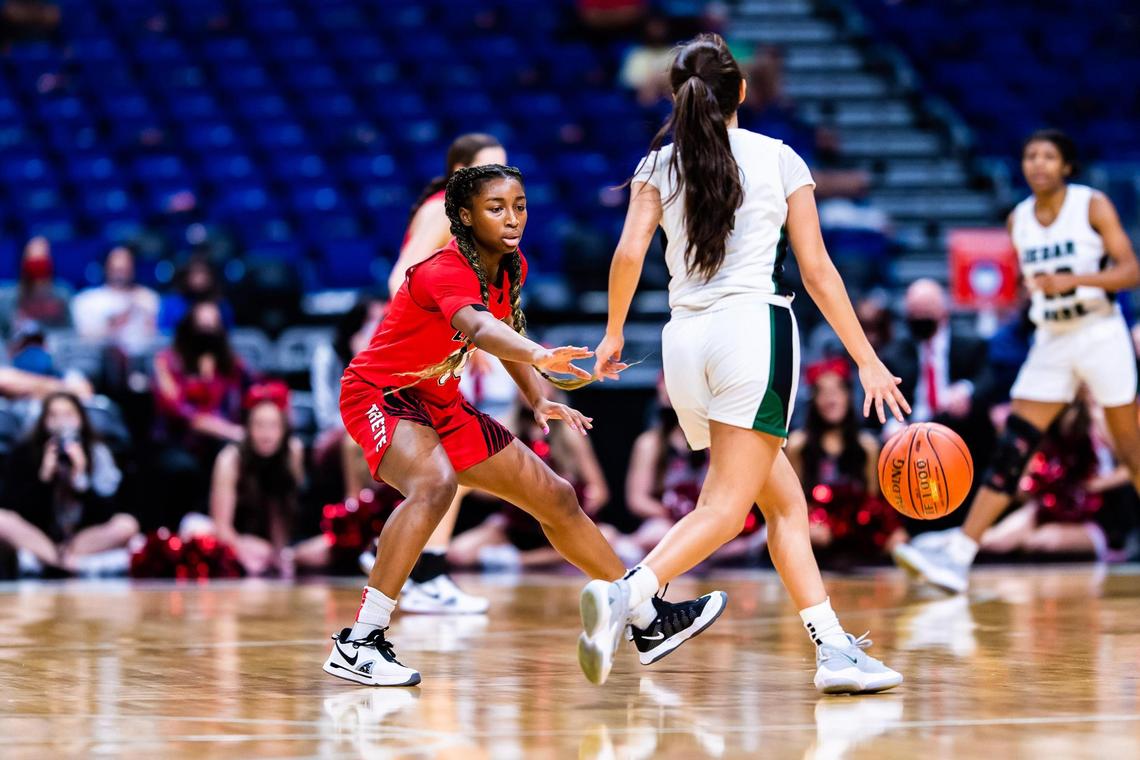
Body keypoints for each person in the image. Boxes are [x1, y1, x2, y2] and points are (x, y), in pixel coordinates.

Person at [579, 34, 907, 693]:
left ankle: (834, 648)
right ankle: (629, 594)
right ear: (743, 93)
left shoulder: (656, 167)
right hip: (751, 333)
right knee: (728, 509)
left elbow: (626, 255)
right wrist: (867, 360)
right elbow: (818, 272)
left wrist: (613, 333)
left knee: (781, 502)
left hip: (683, 343)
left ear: (678, 97)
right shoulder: (778, 157)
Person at [324, 164, 723, 687]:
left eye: (520, 206)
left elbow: (505, 325)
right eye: (496, 208)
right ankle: (360, 642)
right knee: (435, 484)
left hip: (440, 400)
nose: (513, 219)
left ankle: (645, 621)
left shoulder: (511, 266)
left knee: (556, 496)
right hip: (381, 392)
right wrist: (540, 356)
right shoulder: (442, 269)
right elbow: (481, 329)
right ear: (464, 217)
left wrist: (537, 397)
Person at [892, 129, 1140, 593]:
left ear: (1067, 166)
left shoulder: (1091, 204)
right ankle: (959, 557)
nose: (1038, 164)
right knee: (1013, 449)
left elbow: (1130, 270)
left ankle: (959, 550)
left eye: (1049, 156)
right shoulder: (1017, 220)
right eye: (1030, 156)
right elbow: (1030, 289)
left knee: (1131, 449)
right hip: (1052, 339)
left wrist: (1073, 280)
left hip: (1099, 331)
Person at [379, 133, 506, 615]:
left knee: (462, 465)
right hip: (416, 351)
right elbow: (400, 279)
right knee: (452, 464)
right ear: (460, 174)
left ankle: (417, 564)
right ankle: (421, 567)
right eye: (490, 168)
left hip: (443, 352)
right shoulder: (440, 210)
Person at [611, 375, 766, 565]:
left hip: (714, 524)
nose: (665, 388)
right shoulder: (651, 443)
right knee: (656, 532)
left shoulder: (720, 441)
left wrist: (705, 516)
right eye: (663, 382)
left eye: (672, 381)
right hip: (669, 524)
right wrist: (675, 513)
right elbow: (638, 500)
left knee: (756, 535)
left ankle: (706, 551)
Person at [448, 390, 611, 570]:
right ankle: (515, 557)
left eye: (541, 384)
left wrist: (585, 498)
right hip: (518, 521)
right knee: (458, 552)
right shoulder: (504, 428)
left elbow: (599, 491)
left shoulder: (569, 433)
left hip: (561, 517)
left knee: (606, 539)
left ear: (553, 390)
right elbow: (476, 488)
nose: (533, 391)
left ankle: (518, 561)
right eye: (528, 384)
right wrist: (514, 487)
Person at [979, 391, 1134, 561]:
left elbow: (1132, 466)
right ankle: (952, 541)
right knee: (992, 540)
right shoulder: (1050, 423)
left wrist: (1096, 484)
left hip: (1091, 520)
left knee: (1040, 541)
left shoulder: (1100, 421)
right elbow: (1024, 488)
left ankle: (1110, 552)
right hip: (1046, 510)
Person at [0, 392, 137, 575]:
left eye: (68, 415)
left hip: (80, 540)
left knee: (126, 524)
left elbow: (107, 512)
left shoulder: (96, 452)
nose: (61, 422)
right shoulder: (26, 453)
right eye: (53, 415)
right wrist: (44, 478)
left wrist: (80, 479)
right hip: (40, 539)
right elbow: (18, 510)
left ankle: (55, 563)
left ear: (81, 418)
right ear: (43, 420)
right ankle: (60, 563)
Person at [198, 382, 327, 576]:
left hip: (272, 542)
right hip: (226, 533)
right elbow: (221, 526)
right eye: (259, 425)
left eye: (273, 426)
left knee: (318, 551)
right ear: (248, 428)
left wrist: (280, 555)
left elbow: (282, 507)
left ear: (284, 429)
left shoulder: (292, 452)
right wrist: (242, 547)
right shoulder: (230, 459)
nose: (266, 435)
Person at [787, 358, 903, 561]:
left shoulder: (867, 446)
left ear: (849, 396)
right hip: (816, 538)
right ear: (813, 400)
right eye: (822, 392)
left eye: (837, 391)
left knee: (898, 541)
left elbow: (874, 502)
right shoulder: (798, 445)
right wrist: (807, 527)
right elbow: (791, 503)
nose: (830, 399)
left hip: (857, 537)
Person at [71, 246, 160, 358]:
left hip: (141, 361)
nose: (120, 275)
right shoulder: (86, 300)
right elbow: (84, 340)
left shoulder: (148, 297)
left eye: (125, 269)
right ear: (106, 268)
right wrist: (113, 324)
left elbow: (156, 338)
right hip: (99, 364)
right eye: (116, 270)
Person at [0, 236, 72, 338]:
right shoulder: (6, 298)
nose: (38, 266)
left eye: (42, 261)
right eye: (33, 262)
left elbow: (70, 332)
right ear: (23, 262)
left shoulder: (63, 294)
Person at [157, 254, 234, 334]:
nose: (199, 278)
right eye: (194, 273)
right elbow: (164, 332)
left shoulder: (221, 304)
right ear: (186, 276)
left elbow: (228, 334)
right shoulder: (171, 303)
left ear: (211, 276)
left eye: (203, 273)